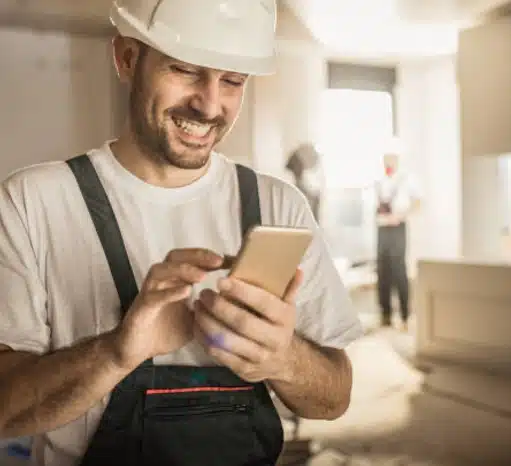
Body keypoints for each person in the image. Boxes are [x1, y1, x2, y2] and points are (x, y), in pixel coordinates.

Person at [0, 1, 363, 465]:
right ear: (127, 58)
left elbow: (335, 399)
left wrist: (281, 358)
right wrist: (117, 352)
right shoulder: (34, 201)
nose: (210, 105)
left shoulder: (277, 206)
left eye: (232, 80)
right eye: (186, 70)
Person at [375, 152, 420, 329]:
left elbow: (418, 202)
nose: (388, 162)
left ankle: (404, 315)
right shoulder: (379, 180)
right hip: (381, 227)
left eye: (391, 158)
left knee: (399, 269)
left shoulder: (406, 179)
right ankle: (385, 314)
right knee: (382, 270)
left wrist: (401, 215)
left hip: (398, 226)